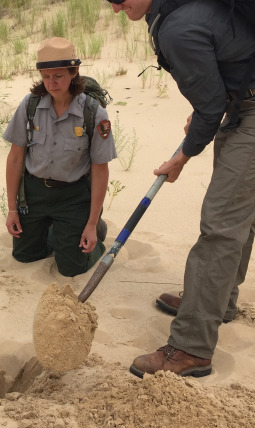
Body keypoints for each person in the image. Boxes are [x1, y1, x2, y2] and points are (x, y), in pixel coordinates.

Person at [108, 0, 255, 377]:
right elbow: (221, 75)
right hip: (241, 103)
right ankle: (217, 304)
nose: (113, 8)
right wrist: (213, 103)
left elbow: (209, 111)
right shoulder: (177, 10)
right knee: (238, 214)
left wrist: (182, 157)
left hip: (248, 111)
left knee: (221, 223)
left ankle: (191, 347)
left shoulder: (176, 27)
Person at [4, 37, 116, 277]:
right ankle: (56, 230)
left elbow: (100, 169)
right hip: (34, 194)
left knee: (71, 268)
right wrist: (12, 209)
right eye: (46, 76)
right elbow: (15, 159)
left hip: (73, 196)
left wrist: (92, 224)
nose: (52, 83)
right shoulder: (30, 105)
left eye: (59, 76)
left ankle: (87, 231)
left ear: (74, 72)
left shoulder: (93, 112)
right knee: (24, 256)